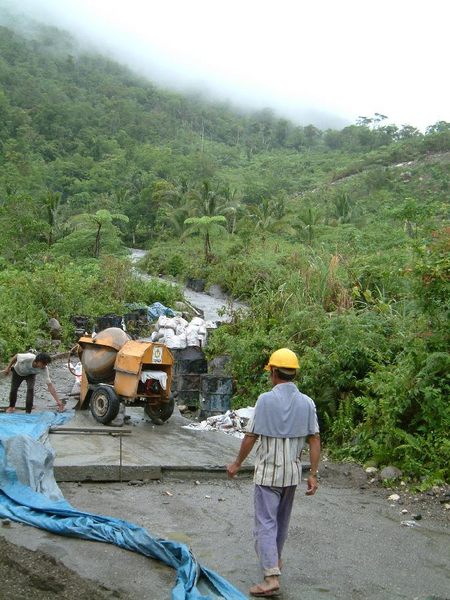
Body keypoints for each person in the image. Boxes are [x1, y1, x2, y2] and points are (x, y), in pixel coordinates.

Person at [227, 348, 320, 598]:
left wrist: (236, 464)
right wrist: (313, 474)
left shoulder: (265, 400)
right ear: (294, 374)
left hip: (268, 475)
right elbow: (314, 440)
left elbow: (250, 437)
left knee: (265, 524)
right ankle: (275, 562)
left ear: (273, 372)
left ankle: (270, 577)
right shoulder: (308, 403)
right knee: (281, 523)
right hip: (292, 475)